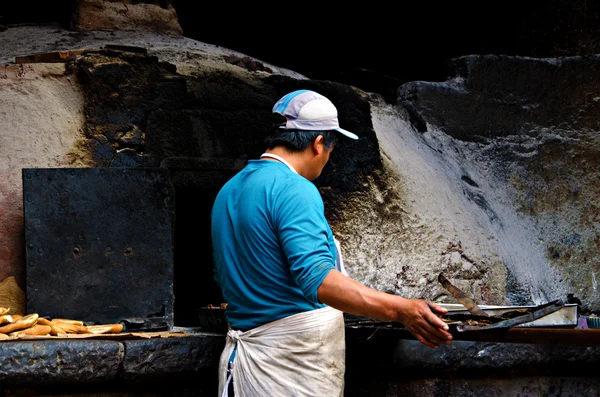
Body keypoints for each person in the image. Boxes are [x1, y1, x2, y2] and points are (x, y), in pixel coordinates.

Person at [210, 89, 453, 397]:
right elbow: (318, 280)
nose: (326, 160)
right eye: (330, 150)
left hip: (247, 366)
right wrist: (401, 308)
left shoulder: (228, 191)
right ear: (318, 143)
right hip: (289, 371)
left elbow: (229, 276)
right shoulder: (294, 189)